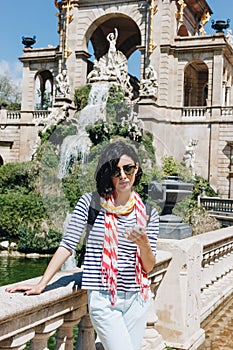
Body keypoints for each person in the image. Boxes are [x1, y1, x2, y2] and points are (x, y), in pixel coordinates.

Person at [6, 140, 159, 350]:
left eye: (128, 168)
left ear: (137, 168)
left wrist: (143, 244)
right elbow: (68, 244)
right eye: (116, 171)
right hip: (103, 298)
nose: (123, 175)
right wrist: (42, 283)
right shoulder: (91, 203)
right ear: (108, 173)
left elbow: (149, 266)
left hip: (137, 299)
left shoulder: (149, 213)